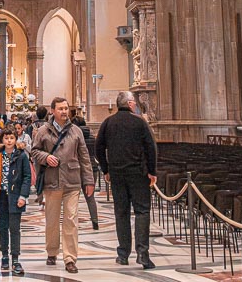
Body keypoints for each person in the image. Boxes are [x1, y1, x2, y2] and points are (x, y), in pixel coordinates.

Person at [30, 97, 93, 274]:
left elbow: (85, 157)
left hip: (72, 181)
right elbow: (34, 151)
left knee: (71, 220)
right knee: (52, 220)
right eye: (60, 109)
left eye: (66, 108)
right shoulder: (43, 131)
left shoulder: (76, 131)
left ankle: (70, 258)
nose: (64, 111)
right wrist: (45, 157)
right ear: (52, 111)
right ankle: (52, 251)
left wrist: (88, 180)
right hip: (52, 181)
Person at [96, 91, 158, 268]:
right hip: (138, 173)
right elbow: (151, 148)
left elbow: (99, 148)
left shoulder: (108, 122)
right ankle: (143, 254)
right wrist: (152, 171)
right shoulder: (140, 122)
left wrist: (106, 169)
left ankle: (123, 254)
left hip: (116, 174)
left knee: (121, 213)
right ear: (130, 104)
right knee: (142, 211)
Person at [0, 128, 31, 277]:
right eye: (6, 138)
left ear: (16, 139)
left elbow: (27, 176)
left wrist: (23, 196)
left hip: (15, 196)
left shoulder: (21, 156)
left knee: (14, 228)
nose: (9, 141)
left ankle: (15, 258)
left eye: (11, 138)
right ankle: (4, 255)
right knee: (2, 227)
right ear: (2, 140)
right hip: (1, 197)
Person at [70, 109, 99, 230]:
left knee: (73, 197)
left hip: (77, 169)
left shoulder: (73, 137)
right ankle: (95, 221)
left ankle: (73, 222)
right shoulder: (92, 137)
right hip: (93, 168)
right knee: (90, 197)